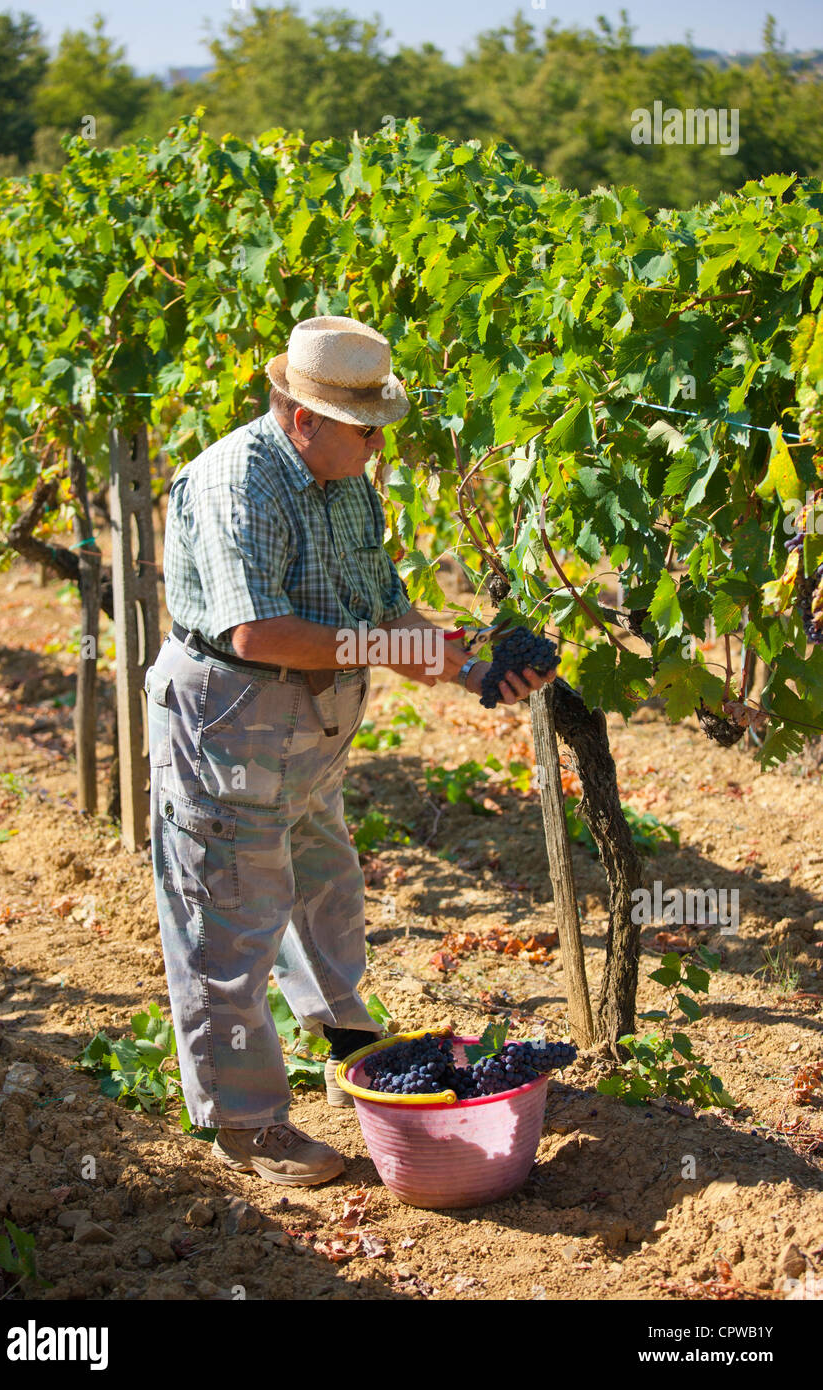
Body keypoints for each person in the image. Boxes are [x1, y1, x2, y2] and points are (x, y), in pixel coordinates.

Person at [144, 315, 556, 1187]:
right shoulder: (238, 483)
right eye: (366, 427)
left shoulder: (346, 482)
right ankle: (246, 1122)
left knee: (322, 881)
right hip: (231, 719)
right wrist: (402, 652)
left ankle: (345, 1036)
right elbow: (257, 632)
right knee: (230, 913)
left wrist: (469, 663)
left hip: (312, 729)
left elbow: (385, 609)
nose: (379, 443)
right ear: (304, 419)